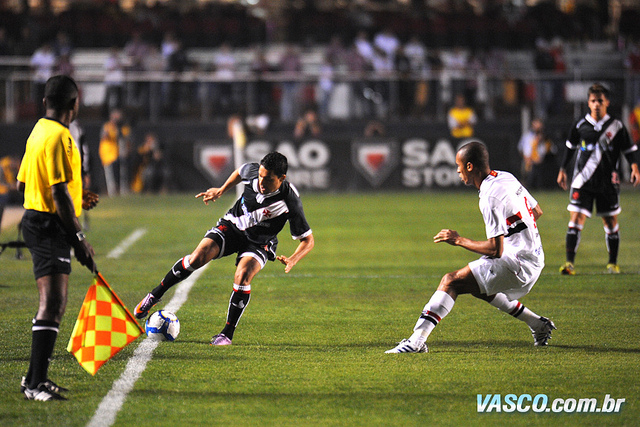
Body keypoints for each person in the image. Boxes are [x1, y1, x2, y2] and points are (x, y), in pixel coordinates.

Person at [386, 141, 555, 353]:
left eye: (459, 165)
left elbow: (495, 250)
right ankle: (538, 324)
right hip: (534, 256)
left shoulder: (490, 196)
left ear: (469, 166)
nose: (457, 171)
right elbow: (536, 211)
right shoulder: (506, 177)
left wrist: (458, 240)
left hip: (518, 263)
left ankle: (416, 341)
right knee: (478, 287)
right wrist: (517, 237)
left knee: (451, 281)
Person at [134, 152, 314, 346]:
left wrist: (293, 259)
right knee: (197, 257)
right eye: (261, 176)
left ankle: (227, 334)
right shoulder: (253, 172)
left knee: (243, 275)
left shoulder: (290, 200)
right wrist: (221, 190)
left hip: (259, 242)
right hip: (232, 226)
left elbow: (308, 240)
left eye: (268, 179)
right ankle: (154, 295)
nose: (262, 182)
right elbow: (239, 172)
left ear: (282, 178)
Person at [16, 75, 98, 400]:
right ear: (74, 104)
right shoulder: (62, 137)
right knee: (52, 303)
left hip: (38, 220)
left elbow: (23, 183)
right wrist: (79, 240)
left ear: (44, 102)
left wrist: (78, 197)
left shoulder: (38, 130)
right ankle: (35, 384)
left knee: (53, 303)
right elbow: (58, 193)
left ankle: (34, 378)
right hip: (50, 225)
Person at [557, 83, 640, 275]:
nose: (596, 104)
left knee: (610, 221)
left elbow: (629, 149)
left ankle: (612, 264)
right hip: (583, 180)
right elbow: (570, 148)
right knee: (575, 219)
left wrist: (635, 167)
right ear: (588, 103)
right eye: (593, 101)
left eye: (600, 101)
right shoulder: (580, 124)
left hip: (607, 182)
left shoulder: (616, 126)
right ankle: (569, 264)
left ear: (607, 103)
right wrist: (562, 169)